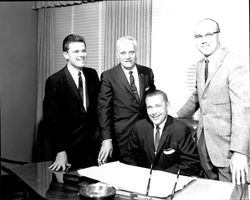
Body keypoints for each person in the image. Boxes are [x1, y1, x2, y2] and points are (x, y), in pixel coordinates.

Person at [177, 18, 250, 184]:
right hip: (204, 145)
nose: (203, 40)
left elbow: (243, 109)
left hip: (228, 149)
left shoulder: (235, 62)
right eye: (198, 36)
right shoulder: (200, 65)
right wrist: (176, 114)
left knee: (233, 194)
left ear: (219, 36)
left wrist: (240, 152)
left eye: (209, 34)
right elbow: (198, 95)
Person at [43, 34, 100, 171]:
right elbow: (52, 120)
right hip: (68, 151)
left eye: (83, 50)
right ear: (66, 54)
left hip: (92, 150)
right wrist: (60, 151)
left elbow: (98, 110)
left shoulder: (92, 74)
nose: (81, 55)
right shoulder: (55, 81)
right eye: (76, 51)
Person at [97, 36, 156, 164]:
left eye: (131, 52)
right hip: (121, 139)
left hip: (145, 136)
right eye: (123, 53)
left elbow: (153, 102)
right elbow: (103, 110)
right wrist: (106, 140)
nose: (127, 56)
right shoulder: (109, 76)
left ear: (136, 53)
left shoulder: (147, 73)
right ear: (117, 55)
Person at [124, 90, 201, 176]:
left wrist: (160, 176)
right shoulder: (139, 127)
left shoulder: (180, 129)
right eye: (150, 107)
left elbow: (191, 163)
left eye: (158, 106)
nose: (154, 112)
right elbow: (130, 157)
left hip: (170, 180)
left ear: (167, 105)